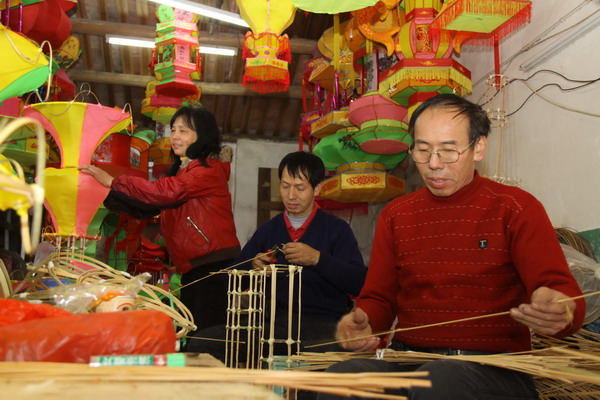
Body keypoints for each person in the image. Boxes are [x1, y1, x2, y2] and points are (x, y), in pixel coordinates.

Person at [318, 94, 585, 400]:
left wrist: (560, 308)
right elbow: (379, 297)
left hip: (494, 369)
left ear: (479, 147)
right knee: (344, 379)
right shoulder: (397, 215)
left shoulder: (515, 208)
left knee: (440, 380)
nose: (433, 164)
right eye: (422, 150)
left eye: (448, 151)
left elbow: (560, 290)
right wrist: (365, 325)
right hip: (411, 362)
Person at [188, 151, 367, 361]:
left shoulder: (337, 230)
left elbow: (358, 282)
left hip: (322, 325)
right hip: (272, 324)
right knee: (204, 342)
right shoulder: (268, 230)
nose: (291, 195)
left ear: (317, 188)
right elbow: (231, 276)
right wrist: (252, 268)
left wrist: (318, 259)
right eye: (285, 186)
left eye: (300, 188)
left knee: (328, 357)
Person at [80, 105, 240, 331]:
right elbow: (148, 208)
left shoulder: (208, 169)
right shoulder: (186, 170)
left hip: (212, 264)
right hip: (196, 264)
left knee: (205, 334)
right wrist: (108, 194)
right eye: (173, 130)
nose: (174, 136)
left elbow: (165, 192)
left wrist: (114, 181)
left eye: (183, 131)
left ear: (202, 135)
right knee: (193, 328)